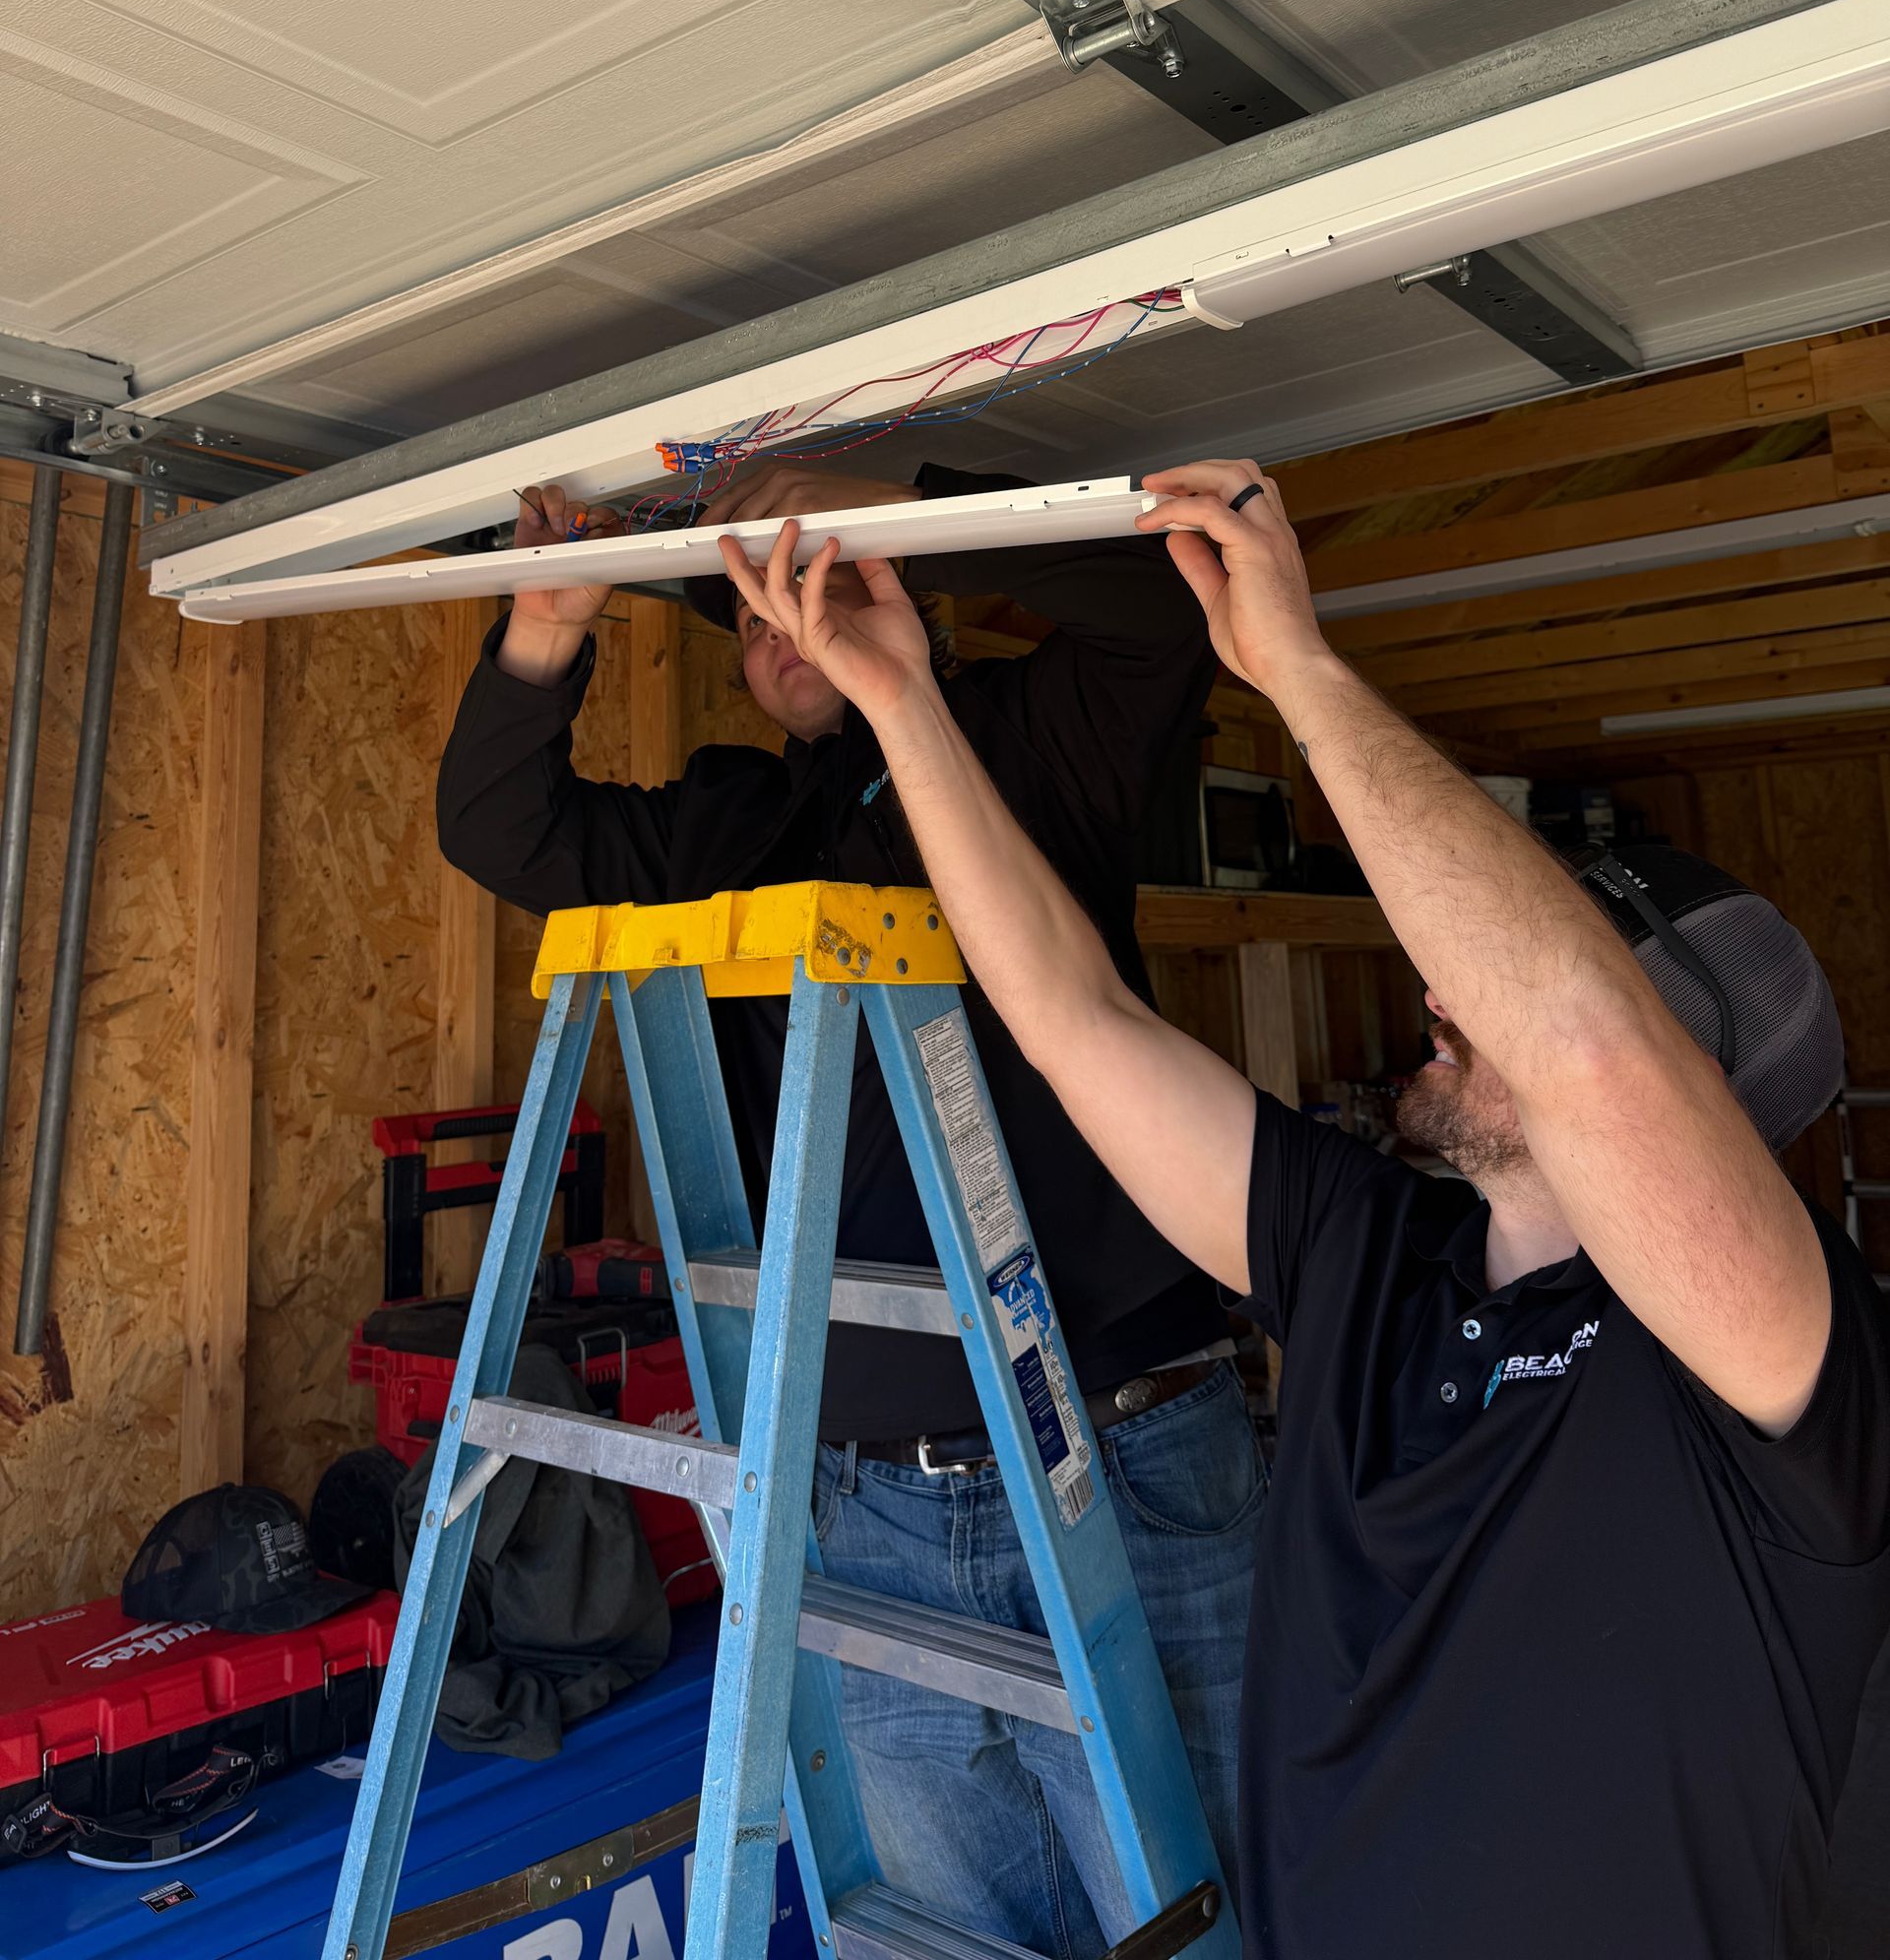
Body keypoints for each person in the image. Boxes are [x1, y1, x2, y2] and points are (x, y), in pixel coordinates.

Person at [718, 462, 1890, 1960]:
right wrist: (902, 707)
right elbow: (1069, 1017)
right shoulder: (1376, 1256)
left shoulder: (1786, 1369)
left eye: (1509, 968)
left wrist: (1301, 673)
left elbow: (1582, 1047)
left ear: (1684, 1069)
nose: (1437, 989)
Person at [437, 463, 1260, 1954]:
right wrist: (547, 628)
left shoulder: (1023, 741)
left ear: (905, 587)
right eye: (754, 611)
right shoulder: (729, 818)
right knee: (956, 1932)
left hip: (1118, 1448)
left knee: (1213, 1910)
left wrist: (892, 500)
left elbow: (1161, 596)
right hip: (866, 1494)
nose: (782, 629)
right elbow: (504, 827)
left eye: (819, 583)